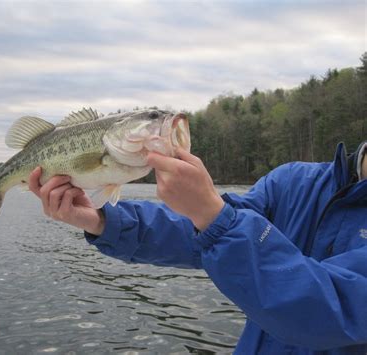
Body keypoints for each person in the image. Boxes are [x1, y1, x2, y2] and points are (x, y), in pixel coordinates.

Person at [28, 140, 367, 354]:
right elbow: (206, 229)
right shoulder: (294, 182)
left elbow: (328, 312)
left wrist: (211, 213)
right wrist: (103, 220)